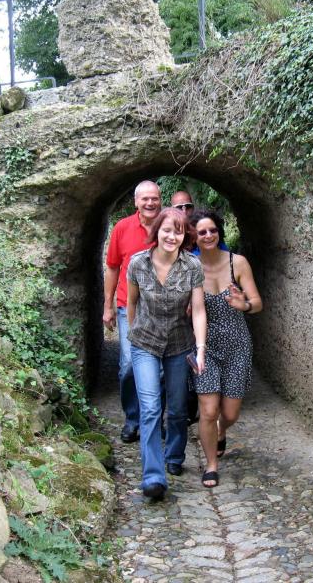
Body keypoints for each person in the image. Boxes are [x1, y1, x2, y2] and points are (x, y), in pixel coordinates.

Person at [127, 208, 207, 500]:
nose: (172, 236)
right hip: (145, 342)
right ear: (157, 231)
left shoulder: (192, 266)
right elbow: (132, 304)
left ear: (185, 236)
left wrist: (200, 349)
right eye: (167, 230)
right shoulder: (138, 263)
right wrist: (134, 335)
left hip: (179, 343)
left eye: (178, 231)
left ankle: (174, 455)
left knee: (177, 408)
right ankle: (153, 476)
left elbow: (198, 310)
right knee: (150, 408)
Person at [190, 210, 262, 488]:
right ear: (194, 237)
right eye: (202, 232)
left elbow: (257, 303)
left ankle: (221, 431)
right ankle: (211, 465)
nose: (208, 235)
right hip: (205, 347)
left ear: (219, 232)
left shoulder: (237, 263)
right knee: (208, 410)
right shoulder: (190, 266)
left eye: (212, 230)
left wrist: (244, 304)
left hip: (237, 345)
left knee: (229, 414)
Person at [103, 180, 161, 443]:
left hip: (163, 308)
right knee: (128, 364)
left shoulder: (168, 225)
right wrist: (108, 305)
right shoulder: (122, 228)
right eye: (145, 199)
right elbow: (113, 267)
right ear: (136, 201)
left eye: (154, 198)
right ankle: (132, 418)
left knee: (160, 367)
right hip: (130, 306)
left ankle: (154, 417)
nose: (150, 203)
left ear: (160, 200)